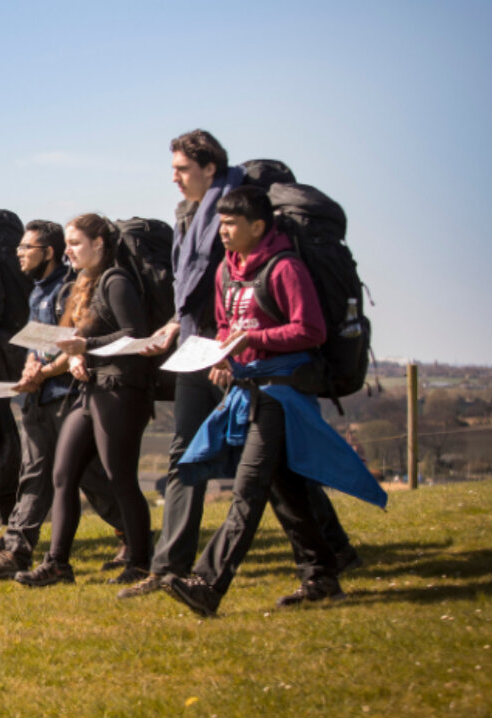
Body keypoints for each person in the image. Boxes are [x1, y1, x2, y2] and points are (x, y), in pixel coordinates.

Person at [121, 129, 359, 600]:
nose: (174, 178)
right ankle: (169, 567)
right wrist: (175, 325)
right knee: (188, 456)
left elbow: (273, 305)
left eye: (182, 169)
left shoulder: (241, 215)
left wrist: (239, 343)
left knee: (265, 471)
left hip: (246, 361)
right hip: (203, 350)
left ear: (210, 168)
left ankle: (321, 559)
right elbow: (199, 290)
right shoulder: (191, 215)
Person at [162, 185, 379, 616]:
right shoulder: (227, 270)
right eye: (220, 223)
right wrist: (225, 356)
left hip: (283, 396)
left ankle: (207, 583)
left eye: (231, 224)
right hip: (248, 392)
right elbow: (226, 327)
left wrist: (253, 339)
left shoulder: (286, 269)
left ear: (258, 227)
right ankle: (322, 574)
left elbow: (311, 330)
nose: (222, 232)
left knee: (248, 490)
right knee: (286, 489)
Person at [0, 220, 128, 580]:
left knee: (86, 475)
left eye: (28, 248)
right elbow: (37, 345)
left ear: (49, 252)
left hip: (67, 396)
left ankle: (133, 534)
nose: (19, 254)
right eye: (19, 247)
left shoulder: (72, 288)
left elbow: (73, 346)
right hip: (40, 398)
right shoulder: (36, 293)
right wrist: (29, 370)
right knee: (38, 474)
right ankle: (16, 550)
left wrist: (44, 373)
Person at [14, 214, 153, 587]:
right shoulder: (82, 284)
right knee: (63, 474)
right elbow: (72, 335)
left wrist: (85, 347)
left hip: (121, 391)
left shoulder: (116, 280)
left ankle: (141, 561)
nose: (69, 251)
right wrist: (75, 355)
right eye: (69, 244)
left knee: (120, 478)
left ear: (99, 244)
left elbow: (135, 336)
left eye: (76, 243)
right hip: (91, 391)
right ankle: (58, 564)